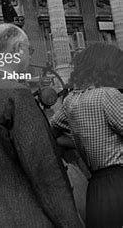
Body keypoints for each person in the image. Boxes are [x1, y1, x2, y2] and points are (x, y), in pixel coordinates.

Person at [0, 24, 81, 227]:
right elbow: (44, 168)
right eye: (29, 50)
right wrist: (71, 222)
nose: (29, 57)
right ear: (17, 49)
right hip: (29, 217)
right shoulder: (16, 94)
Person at [51, 43, 123, 228]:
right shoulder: (108, 95)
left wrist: (82, 140)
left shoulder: (71, 101)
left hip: (98, 188)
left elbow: (53, 133)